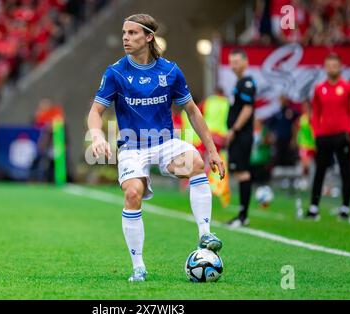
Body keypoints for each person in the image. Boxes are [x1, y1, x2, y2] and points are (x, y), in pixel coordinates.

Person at [87, 13, 225, 282]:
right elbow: (96, 111)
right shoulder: (115, 72)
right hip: (132, 147)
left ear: (149, 37)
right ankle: (138, 266)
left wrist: (212, 151)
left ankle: (205, 234)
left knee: (195, 163)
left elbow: (193, 112)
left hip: (164, 143)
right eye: (124, 33)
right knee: (133, 194)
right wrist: (97, 137)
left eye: (132, 33)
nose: (126, 38)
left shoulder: (170, 71)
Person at [306, 53, 350, 221]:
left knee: (345, 172)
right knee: (319, 172)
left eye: (335, 66)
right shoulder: (319, 88)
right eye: (329, 66)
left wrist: (348, 131)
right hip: (324, 136)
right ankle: (314, 208)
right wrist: (316, 131)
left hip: (341, 136)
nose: (332, 69)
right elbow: (315, 113)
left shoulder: (348, 87)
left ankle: (345, 208)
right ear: (325, 67)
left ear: (340, 67)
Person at [225, 48, 257, 227]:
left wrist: (234, 130)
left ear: (245, 62)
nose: (233, 66)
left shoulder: (247, 83)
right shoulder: (239, 83)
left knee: (243, 172)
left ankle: (243, 216)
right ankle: (242, 214)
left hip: (242, 135)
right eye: (231, 62)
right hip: (239, 135)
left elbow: (247, 108)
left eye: (236, 62)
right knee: (239, 173)